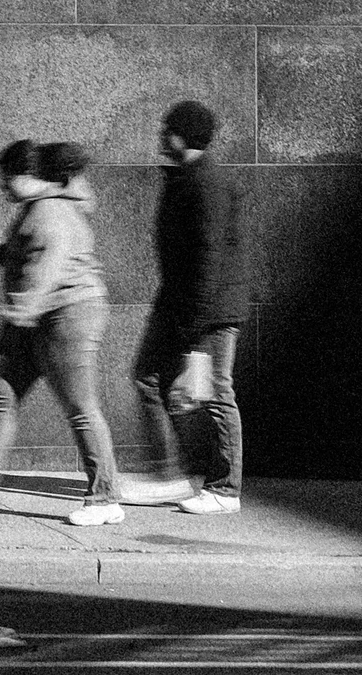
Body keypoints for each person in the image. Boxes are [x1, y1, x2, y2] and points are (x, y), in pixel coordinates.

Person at [0, 140, 124, 526]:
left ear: (25, 176)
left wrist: (16, 315)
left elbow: (46, 269)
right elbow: (32, 256)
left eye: (6, 179)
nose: (2, 187)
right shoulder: (38, 208)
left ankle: (106, 498)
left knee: (80, 406)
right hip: (42, 315)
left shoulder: (48, 211)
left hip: (68, 314)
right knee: (2, 396)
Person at [131, 100, 246, 515]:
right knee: (147, 378)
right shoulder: (185, 179)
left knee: (215, 394)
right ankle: (169, 476)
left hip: (208, 311)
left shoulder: (208, 184)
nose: (161, 134)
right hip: (180, 306)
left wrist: (194, 327)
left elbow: (208, 258)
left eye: (167, 128)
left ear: (183, 135)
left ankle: (225, 489)